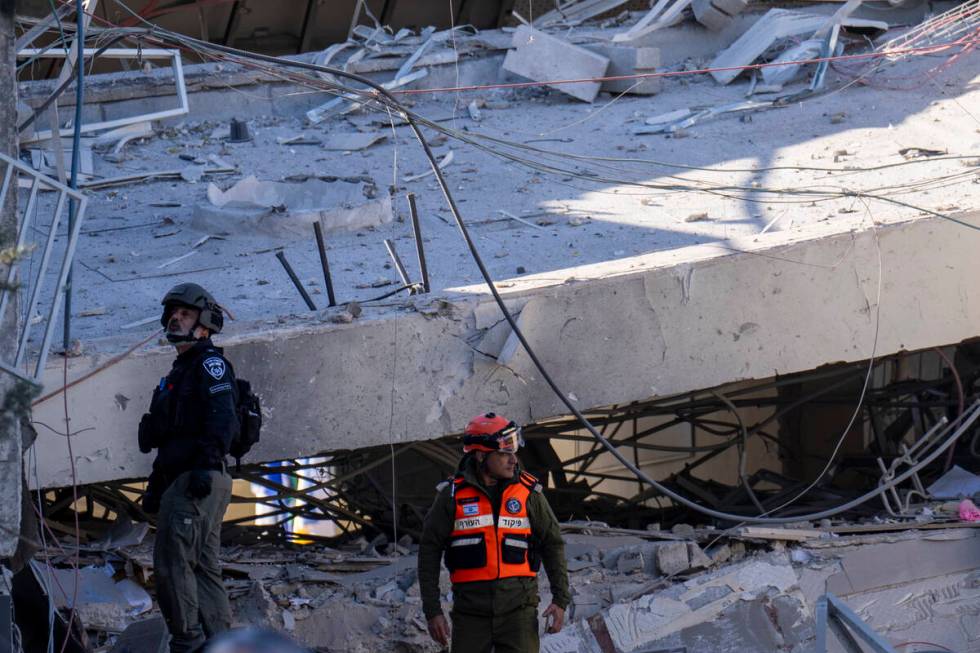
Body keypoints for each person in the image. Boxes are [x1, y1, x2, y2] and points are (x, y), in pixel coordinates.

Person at [138, 282, 239, 653]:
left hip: (198, 481)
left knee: (172, 564)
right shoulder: (180, 370)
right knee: (202, 567)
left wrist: (204, 466)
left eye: (186, 314)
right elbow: (171, 439)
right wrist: (156, 486)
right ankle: (220, 644)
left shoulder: (208, 364)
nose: (176, 318)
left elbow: (222, 417)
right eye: (173, 313)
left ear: (205, 324)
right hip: (186, 480)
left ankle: (189, 643)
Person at [418, 412, 570, 652]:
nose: (513, 460)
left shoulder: (529, 494)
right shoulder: (451, 496)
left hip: (519, 615)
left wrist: (560, 600)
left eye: (513, 452)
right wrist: (432, 611)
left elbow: (553, 543)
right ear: (481, 455)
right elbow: (429, 550)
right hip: (470, 617)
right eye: (504, 454)